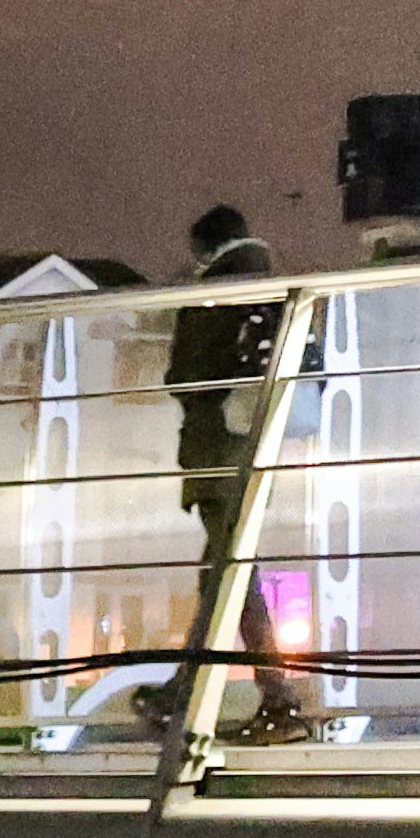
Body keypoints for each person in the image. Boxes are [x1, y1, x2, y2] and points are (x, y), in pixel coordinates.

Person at [149, 201, 323, 740]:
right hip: (256, 448)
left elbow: (184, 378)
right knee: (221, 575)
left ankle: (279, 701)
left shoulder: (212, 296)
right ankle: (184, 690)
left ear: (203, 247)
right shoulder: (271, 286)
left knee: (231, 577)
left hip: (216, 454)